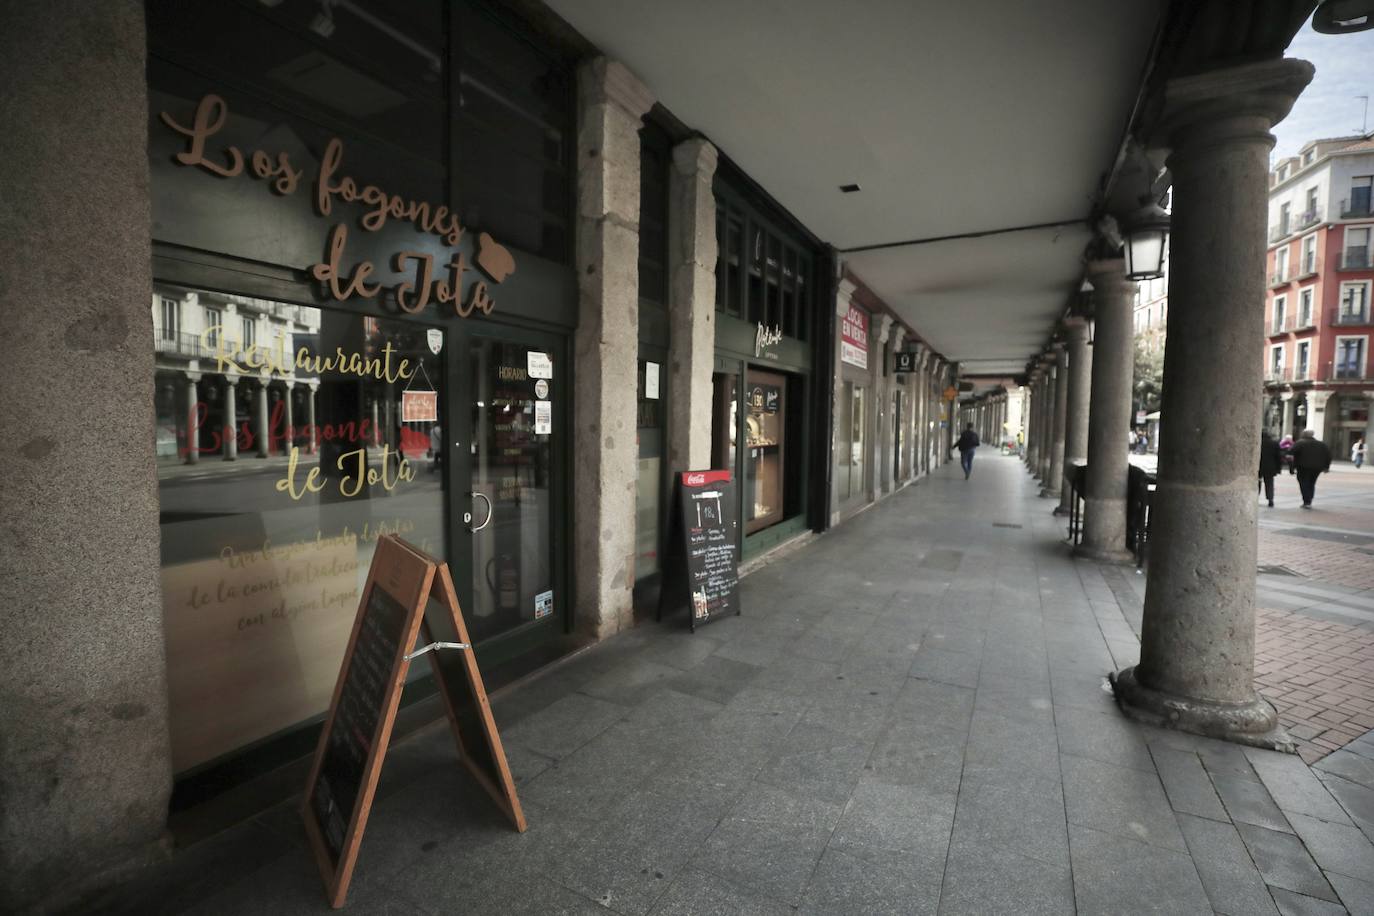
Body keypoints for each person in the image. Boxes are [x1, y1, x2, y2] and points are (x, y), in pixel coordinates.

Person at [1290, 429, 1331, 509]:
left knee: (1303, 483)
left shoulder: (1300, 443)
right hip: (1317, 468)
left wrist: (1292, 467)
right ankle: (1309, 499)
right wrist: (1326, 467)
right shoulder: (1321, 444)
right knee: (1311, 483)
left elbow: (1291, 452)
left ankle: (1307, 501)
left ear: (1304, 434)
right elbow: (1328, 456)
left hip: (1303, 467)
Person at [1258, 429, 1281, 508]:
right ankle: (1270, 499)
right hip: (1270, 467)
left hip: (1258, 466)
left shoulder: (1258, 442)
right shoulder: (1274, 443)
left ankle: (1256, 496)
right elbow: (1278, 457)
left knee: (1257, 482)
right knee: (1269, 483)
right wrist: (1278, 468)